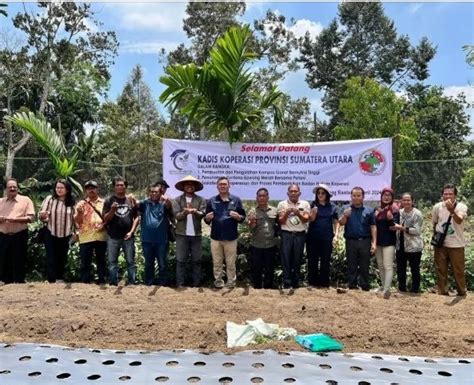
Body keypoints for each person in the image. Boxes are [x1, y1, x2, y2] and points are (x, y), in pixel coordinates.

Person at [204, 177, 245, 289]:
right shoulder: (211, 200)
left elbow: (242, 217)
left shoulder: (236, 200)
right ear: (217, 186)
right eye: (220, 184)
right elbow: (206, 219)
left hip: (231, 237)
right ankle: (218, 282)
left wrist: (238, 217)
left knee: (231, 263)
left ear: (229, 185)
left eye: (224, 184)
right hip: (216, 237)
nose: (222, 186)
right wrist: (207, 218)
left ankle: (231, 282)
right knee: (217, 262)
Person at [432, 183, 468, 296]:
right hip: (441, 244)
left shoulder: (461, 206)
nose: (448, 196)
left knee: (458, 270)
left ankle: (462, 292)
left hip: (456, 244)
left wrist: (452, 210)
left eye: (450, 194)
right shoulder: (437, 207)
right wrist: (435, 239)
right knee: (440, 269)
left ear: (455, 195)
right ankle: (443, 292)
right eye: (445, 193)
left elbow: (459, 220)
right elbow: (435, 223)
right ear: (442, 195)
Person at [338, 187, 376, 291]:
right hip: (351, 241)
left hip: (365, 241)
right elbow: (341, 223)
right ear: (351, 196)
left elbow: (373, 226)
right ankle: (352, 285)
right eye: (354, 195)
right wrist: (345, 215)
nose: (356, 198)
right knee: (351, 264)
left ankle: (364, 285)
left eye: (358, 195)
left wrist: (374, 242)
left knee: (365, 264)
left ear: (363, 197)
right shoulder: (346, 208)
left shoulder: (369, 210)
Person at [103, 176, 139, 285]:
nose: (120, 187)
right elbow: (105, 218)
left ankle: (132, 282)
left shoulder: (130, 200)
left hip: (128, 236)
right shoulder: (109, 201)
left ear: (126, 187)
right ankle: (113, 282)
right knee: (112, 262)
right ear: (114, 187)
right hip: (113, 236)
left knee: (130, 261)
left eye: (122, 185)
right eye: (117, 185)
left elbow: (137, 217)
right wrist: (112, 210)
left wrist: (131, 232)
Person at [172, 175, 206, 288]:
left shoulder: (200, 200)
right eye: (187, 184)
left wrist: (195, 212)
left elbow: (203, 214)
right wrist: (185, 212)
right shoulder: (177, 200)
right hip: (182, 234)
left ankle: (196, 284)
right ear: (183, 186)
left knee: (197, 260)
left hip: (196, 235)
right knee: (181, 260)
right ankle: (180, 284)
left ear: (195, 187)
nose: (190, 186)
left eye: (192, 184)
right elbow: (177, 216)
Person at [39, 179, 75, 283]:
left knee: (62, 256)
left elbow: (74, 217)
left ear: (67, 189)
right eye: (57, 187)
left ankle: (60, 277)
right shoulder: (50, 199)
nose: (59, 190)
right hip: (50, 231)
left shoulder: (72, 201)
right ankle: (51, 279)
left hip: (66, 233)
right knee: (51, 255)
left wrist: (76, 232)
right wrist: (43, 215)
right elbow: (42, 215)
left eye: (61, 188)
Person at [0, 178, 35, 283]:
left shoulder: (25, 200)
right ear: (5, 189)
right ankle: (5, 281)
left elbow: (31, 218)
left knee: (19, 259)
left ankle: (19, 282)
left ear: (18, 188)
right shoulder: (0, 202)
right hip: (3, 235)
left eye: (14, 186)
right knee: (3, 259)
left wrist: (15, 220)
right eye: (10, 187)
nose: (12, 188)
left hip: (19, 235)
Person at [138, 182, 172, 286]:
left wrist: (166, 200)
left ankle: (163, 283)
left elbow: (170, 206)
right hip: (147, 239)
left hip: (161, 240)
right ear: (149, 193)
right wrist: (130, 198)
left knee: (162, 263)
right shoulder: (145, 204)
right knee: (148, 263)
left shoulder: (164, 205)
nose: (154, 194)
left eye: (156, 192)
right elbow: (135, 204)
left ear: (160, 193)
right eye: (152, 192)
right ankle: (149, 282)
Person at [277, 184, 310, 290]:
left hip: (300, 235)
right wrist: (287, 213)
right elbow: (281, 221)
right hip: (286, 234)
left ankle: (295, 283)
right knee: (285, 259)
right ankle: (287, 282)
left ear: (299, 193)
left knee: (297, 259)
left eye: (295, 191)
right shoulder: (282, 204)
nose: (293, 193)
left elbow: (306, 219)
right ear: (288, 193)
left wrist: (298, 214)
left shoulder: (305, 204)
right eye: (291, 191)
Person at [74, 180, 107, 284]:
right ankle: (85, 281)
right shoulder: (81, 204)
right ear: (86, 191)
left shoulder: (104, 203)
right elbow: (78, 221)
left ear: (97, 189)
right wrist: (79, 213)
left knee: (101, 260)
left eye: (93, 188)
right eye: (88, 188)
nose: (91, 190)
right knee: (85, 261)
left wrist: (104, 225)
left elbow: (109, 218)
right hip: (86, 236)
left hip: (101, 235)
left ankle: (102, 280)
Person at [306, 184, 339, 288]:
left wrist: (336, 235)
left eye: (322, 193)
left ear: (327, 195)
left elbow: (336, 221)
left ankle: (324, 283)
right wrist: (313, 213)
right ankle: (313, 282)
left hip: (327, 237)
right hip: (313, 237)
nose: (320, 195)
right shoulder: (312, 205)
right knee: (312, 260)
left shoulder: (332, 206)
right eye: (318, 193)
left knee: (325, 260)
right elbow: (310, 220)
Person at [391, 192, 423, 294]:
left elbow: (417, 231)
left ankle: (415, 289)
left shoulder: (417, 213)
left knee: (414, 269)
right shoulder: (398, 212)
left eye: (408, 200)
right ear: (401, 201)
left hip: (414, 246)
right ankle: (402, 288)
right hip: (400, 245)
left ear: (413, 201)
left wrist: (402, 228)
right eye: (404, 200)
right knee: (401, 268)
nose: (406, 202)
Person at [247, 188, 278, 289]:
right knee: (257, 268)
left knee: (270, 268)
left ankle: (268, 289)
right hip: (257, 244)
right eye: (259, 196)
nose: (262, 198)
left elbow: (278, 225)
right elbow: (251, 228)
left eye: (264, 196)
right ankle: (257, 288)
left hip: (271, 244)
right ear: (256, 198)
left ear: (268, 197)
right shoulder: (252, 211)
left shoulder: (274, 210)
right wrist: (252, 221)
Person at [374, 187, 400, 299]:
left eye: (389, 195)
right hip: (378, 241)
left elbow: (395, 226)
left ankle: (387, 289)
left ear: (392, 197)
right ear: (381, 196)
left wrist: (390, 219)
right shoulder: (378, 209)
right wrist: (375, 215)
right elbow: (372, 224)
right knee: (380, 264)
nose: (386, 197)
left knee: (388, 265)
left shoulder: (394, 210)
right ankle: (383, 285)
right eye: (384, 195)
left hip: (389, 241)